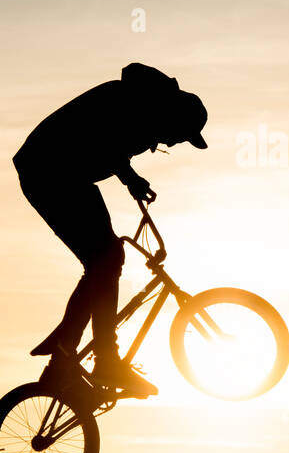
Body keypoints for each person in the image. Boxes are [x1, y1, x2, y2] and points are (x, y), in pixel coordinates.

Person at [14, 63, 208, 396]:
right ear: (173, 116)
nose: (175, 144)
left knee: (106, 259)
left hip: (67, 175)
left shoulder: (140, 110)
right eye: (181, 135)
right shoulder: (134, 107)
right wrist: (130, 177)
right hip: (49, 171)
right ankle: (102, 358)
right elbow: (103, 136)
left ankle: (66, 360)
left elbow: (110, 145)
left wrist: (130, 179)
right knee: (106, 259)